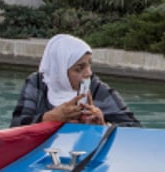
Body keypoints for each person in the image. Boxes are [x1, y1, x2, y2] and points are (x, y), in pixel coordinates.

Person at [10, 34, 140, 127]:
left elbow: (135, 131)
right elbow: (15, 128)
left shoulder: (96, 88)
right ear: (59, 70)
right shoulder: (38, 83)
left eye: (89, 64)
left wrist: (103, 125)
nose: (88, 73)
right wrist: (49, 118)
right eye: (79, 69)